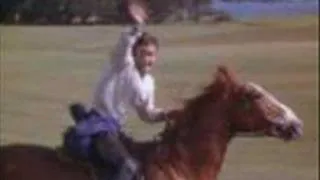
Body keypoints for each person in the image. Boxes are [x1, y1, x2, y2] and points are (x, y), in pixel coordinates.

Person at [66, 1, 178, 180]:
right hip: (99, 125)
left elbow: (146, 114)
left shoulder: (149, 82)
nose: (147, 59)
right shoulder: (122, 64)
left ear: (156, 56)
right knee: (127, 168)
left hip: (115, 129)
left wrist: (167, 114)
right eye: (143, 53)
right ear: (134, 54)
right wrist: (137, 26)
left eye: (151, 54)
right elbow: (124, 45)